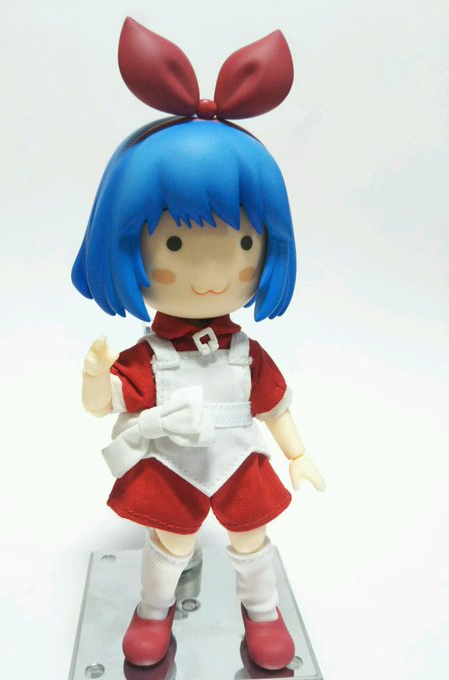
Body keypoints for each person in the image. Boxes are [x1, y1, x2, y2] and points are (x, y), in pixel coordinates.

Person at [72, 17, 325, 671]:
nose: (213, 274)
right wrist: (97, 375)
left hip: (238, 459)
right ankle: (153, 612)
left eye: (243, 243)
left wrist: (297, 453)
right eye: (177, 244)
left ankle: (263, 615)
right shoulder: (149, 357)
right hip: (175, 465)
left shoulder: (246, 354)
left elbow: (274, 405)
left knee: (252, 538)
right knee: (170, 543)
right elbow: (103, 406)